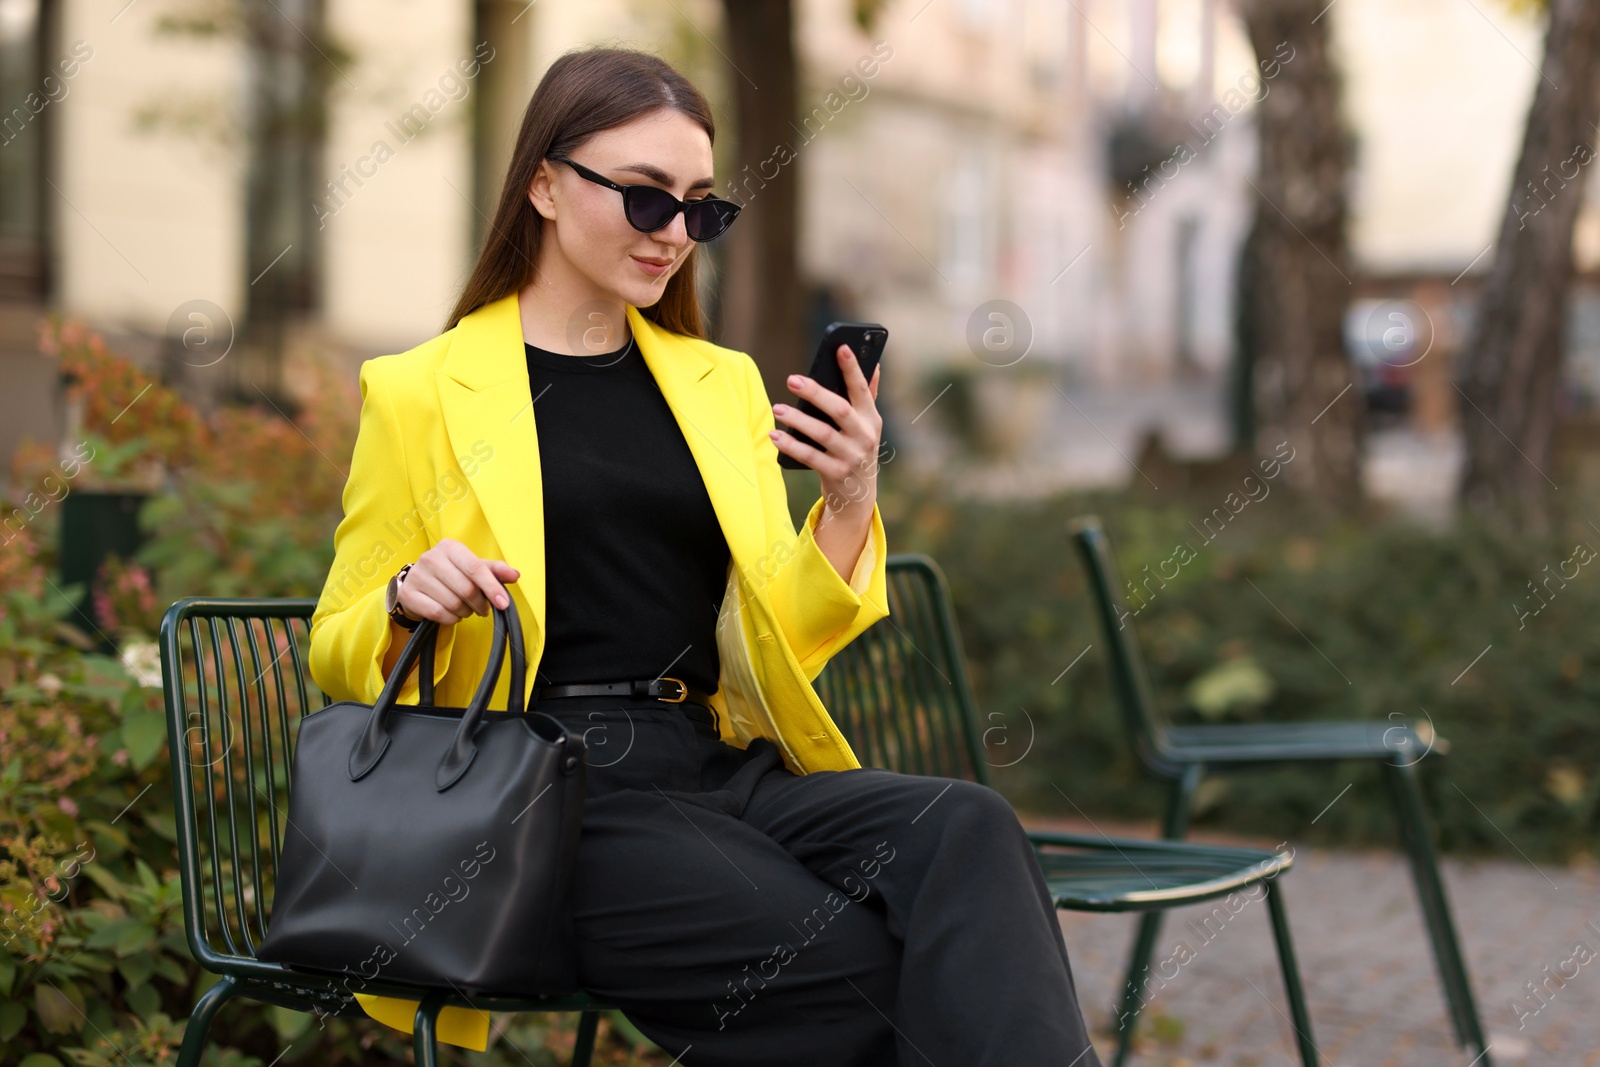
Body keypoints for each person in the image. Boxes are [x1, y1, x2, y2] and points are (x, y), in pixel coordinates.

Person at [308, 44, 1104, 1067]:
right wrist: (409, 602)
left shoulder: (716, 384)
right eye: (646, 200)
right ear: (544, 184)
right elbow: (333, 645)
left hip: (722, 765)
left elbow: (782, 631)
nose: (677, 234)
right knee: (867, 977)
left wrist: (851, 499)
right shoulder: (420, 391)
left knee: (968, 826)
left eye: (700, 207)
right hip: (554, 791)